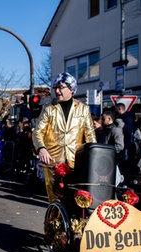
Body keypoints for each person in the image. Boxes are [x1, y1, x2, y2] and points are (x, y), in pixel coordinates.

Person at [32, 72, 97, 202]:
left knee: (77, 201)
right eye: (55, 88)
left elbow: (90, 136)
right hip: (53, 162)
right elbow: (37, 132)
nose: (57, 91)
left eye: (61, 87)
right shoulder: (49, 109)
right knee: (55, 200)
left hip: (76, 162)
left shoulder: (83, 109)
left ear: (71, 89)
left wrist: (94, 156)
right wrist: (41, 148)